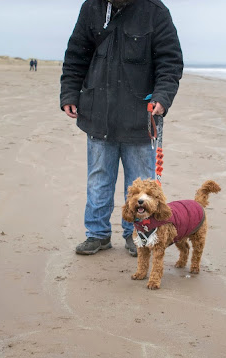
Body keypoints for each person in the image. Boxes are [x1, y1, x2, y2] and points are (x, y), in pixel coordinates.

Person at [60, 0, 183, 256]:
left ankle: (137, 235)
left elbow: (170, 61)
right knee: (98, 180)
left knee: (141, 187)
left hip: (140, 118)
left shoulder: (155, 11)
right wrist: (70, 94)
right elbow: (76, 54)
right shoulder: (91, 8)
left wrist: (163, 95)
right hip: (97, 114)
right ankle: (97, 235)